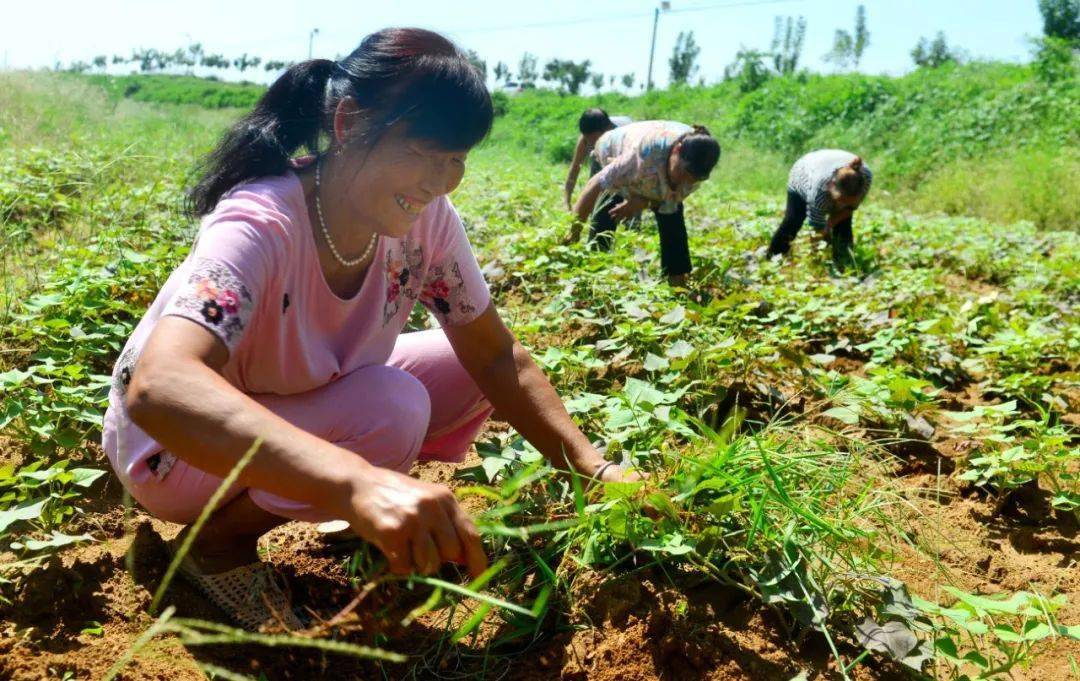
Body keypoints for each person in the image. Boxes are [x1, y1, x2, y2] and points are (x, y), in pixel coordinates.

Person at [102, 28, 634, 632]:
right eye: (424, 152)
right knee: (393, 407)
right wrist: (356, 483)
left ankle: (324, 487)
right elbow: (161, 387)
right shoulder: (261, 222)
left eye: (456, 159)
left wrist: (594, 470)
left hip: (290, 401)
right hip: (174, 453)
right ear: (351, 122)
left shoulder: (424, 220)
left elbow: (494, 356)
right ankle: (216, 547)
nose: (440, 180)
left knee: (463, 366)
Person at [568, 121, 720, 286]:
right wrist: (574, 229)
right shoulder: (645, 152)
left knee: (672, 218)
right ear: (677, 150)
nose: (685, 182)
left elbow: (668, 200)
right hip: (614, 150)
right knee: (608, 208)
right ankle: (594, 268)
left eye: (694, 179)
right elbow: (595, 184)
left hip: (650, 169)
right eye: (684, 173)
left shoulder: (697, 170)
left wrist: (642, 202)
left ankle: (677, 281)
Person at [767, 150, 873, 268]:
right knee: (793, 220)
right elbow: (816, 231)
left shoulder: (865, 178)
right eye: (841, 201)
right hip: (804, 171)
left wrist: (829, 224)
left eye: (847, 201)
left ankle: (844, 262)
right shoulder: (818, 192)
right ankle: (773, 257)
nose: (841, 206)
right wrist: (817, 257)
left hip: (828, 165)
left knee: (843, 226)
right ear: (831, 187)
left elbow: (849, 209)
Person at [563, 108, 632, 210]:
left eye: (595, 139)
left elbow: (634, 174)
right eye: (588, 139)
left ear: (607, 131)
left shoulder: (626, 136)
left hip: (627, 164)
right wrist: (566, 201)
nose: (592, 143)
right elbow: (575, 167)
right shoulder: (586, 138)